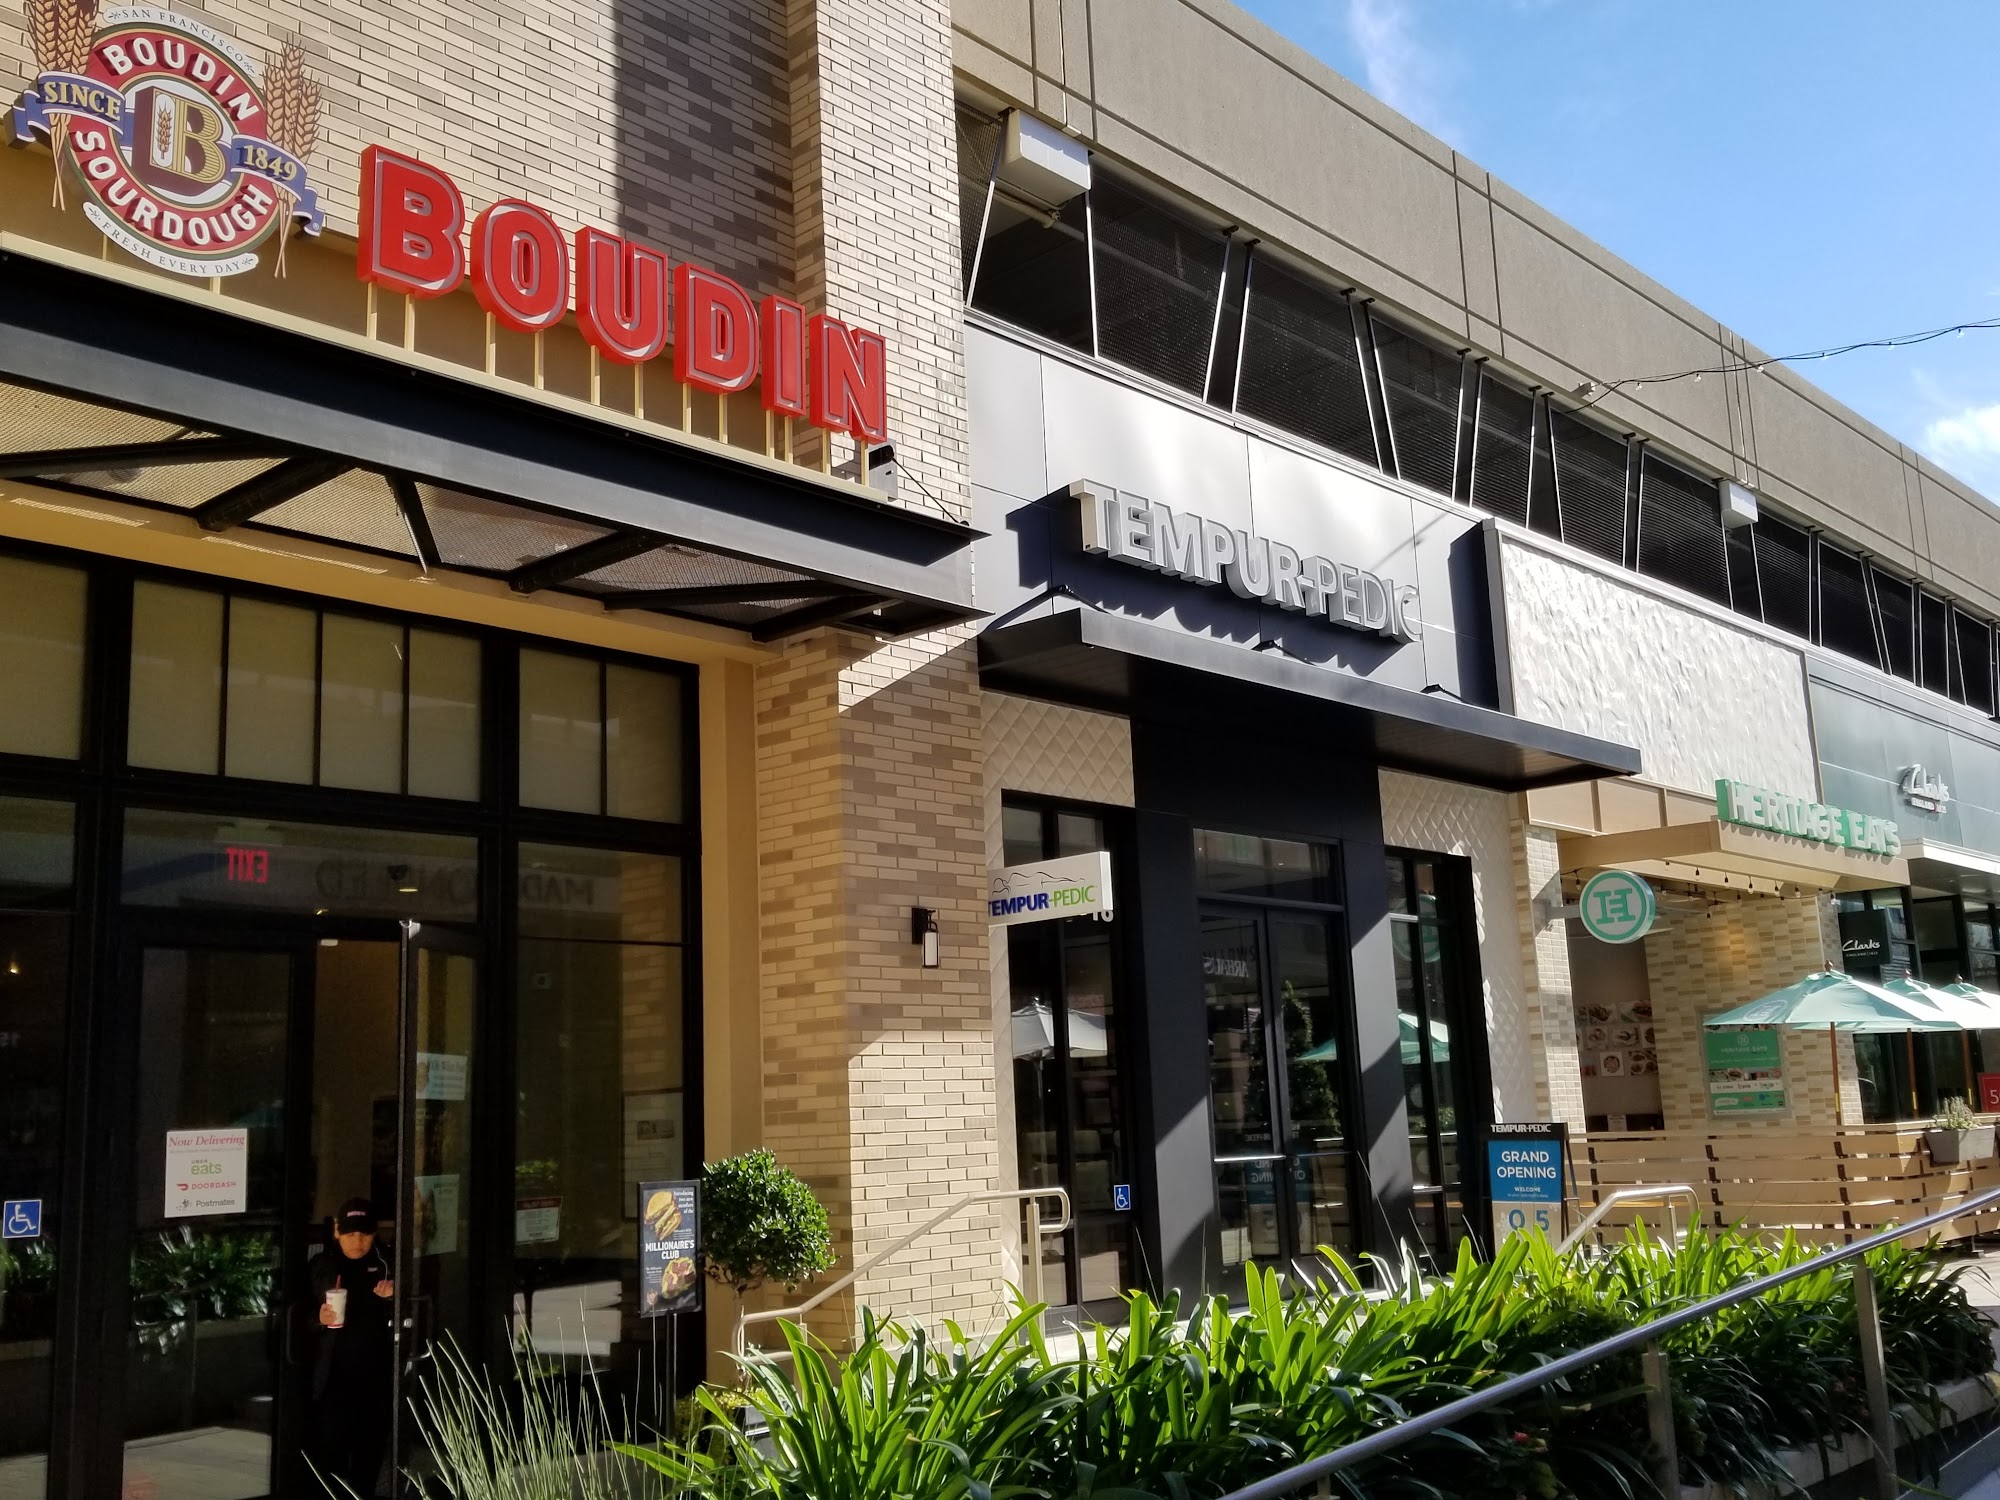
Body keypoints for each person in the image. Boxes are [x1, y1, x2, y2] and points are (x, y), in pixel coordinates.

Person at [307, 1198, 395, 1497]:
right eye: (350, 1233)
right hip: (333, 1378)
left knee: (369, 1454)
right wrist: (318, 1319)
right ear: (337, 1232)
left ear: (374, 1233)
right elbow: (295, 1316)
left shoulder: (387, 1263)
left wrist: (393, 1300)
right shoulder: (322, 1266)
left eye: (364, 1234)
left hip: (376, 1377)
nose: (357, 1241)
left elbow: (414, 1312)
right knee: (330, 1452)